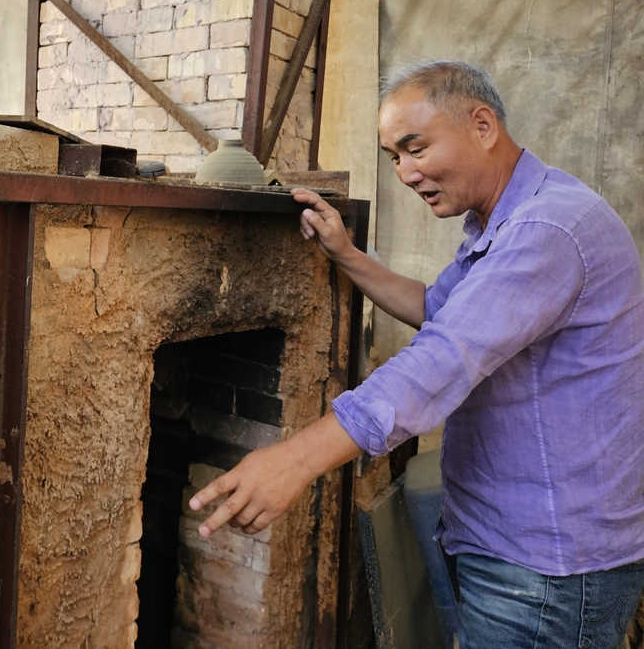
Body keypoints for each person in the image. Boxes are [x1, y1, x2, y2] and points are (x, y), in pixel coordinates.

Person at [190, 61, 644, 648]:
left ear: (482, 125)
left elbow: (443, 356)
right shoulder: (498, 223)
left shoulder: (548, 229)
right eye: (393, 157)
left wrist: (298, 459)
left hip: (547, 572)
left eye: (415, 148)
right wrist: (346, 254)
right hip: (509, 549)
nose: (405, 173)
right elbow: (438, 308)